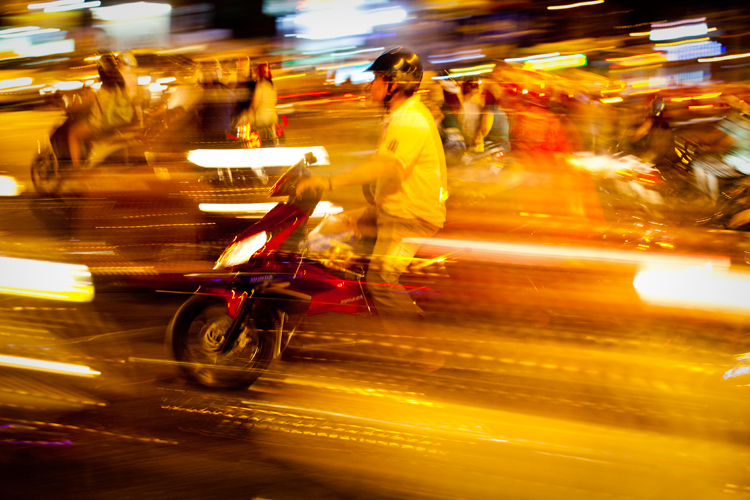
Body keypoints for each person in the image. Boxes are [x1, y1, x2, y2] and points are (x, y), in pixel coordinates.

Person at [295, 46, 448, 357]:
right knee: (323, 235)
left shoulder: (410, 120)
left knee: (381, 279)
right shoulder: (399, 117)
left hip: (410, 217)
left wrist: (329, 181)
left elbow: (386, 165)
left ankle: (422, 353)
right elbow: (382, 164)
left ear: (396, 84)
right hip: (388, 209)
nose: (371, 85)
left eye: (378, 78)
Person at [68, 52, 136, 169]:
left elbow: (82, 103)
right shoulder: (122, 85)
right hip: (122, 121)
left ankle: (76, 167)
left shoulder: (101, 90)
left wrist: (69, 107)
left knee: (72, 133)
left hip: (101, 124)